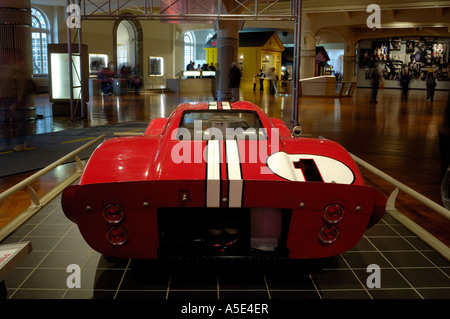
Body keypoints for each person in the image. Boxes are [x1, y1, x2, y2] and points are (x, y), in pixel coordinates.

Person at [0, 51, 32, 152]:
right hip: (4, 99)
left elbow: (21, 84)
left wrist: (19, 97)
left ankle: (20, 142)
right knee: (4, 122)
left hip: (14, 99)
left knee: (18, 121)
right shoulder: (3, 69)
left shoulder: (16, 70)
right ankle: (6, 142)